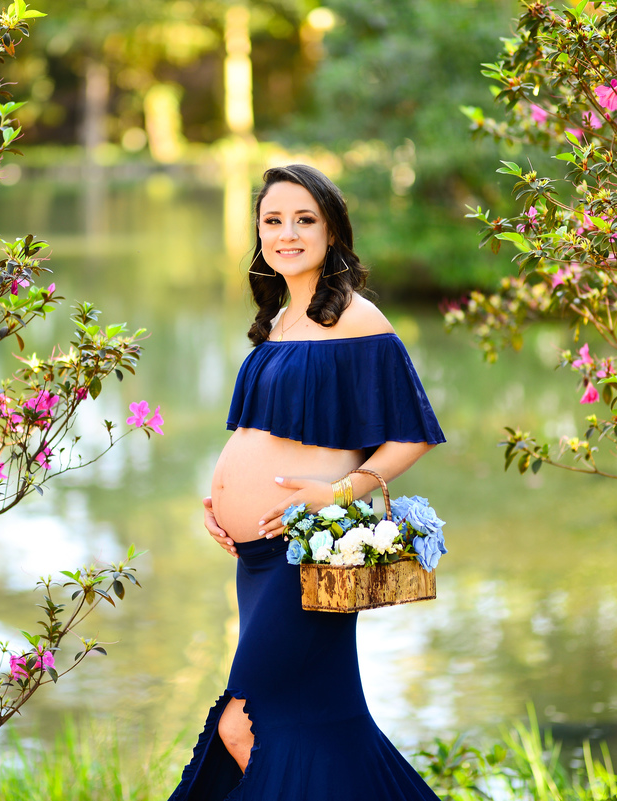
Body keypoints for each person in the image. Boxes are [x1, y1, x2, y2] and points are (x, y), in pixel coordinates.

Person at [166, 164, 447, 800]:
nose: (286, 233)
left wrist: (343, 491)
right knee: (316, 724)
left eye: (304, 219)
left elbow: (413, 431)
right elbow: (262, 435)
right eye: (273, 221)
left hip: (309, 551)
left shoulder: (356, 317)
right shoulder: (277, 321)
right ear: (259, 234)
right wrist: (220, 504)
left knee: (246, 726)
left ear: (332, 231)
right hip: (257, 558)